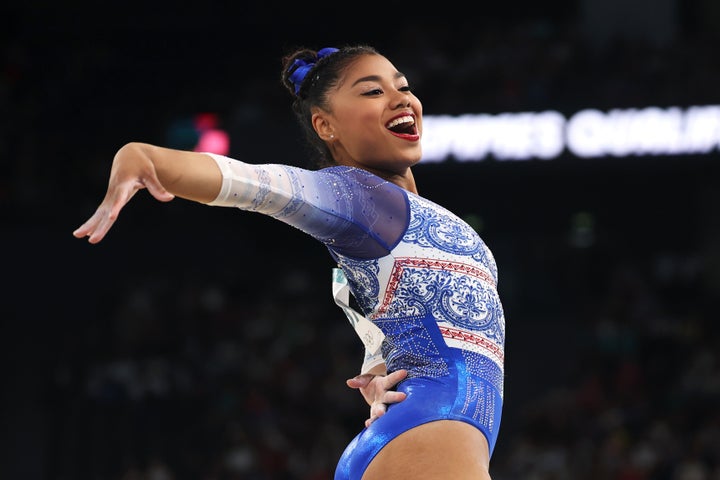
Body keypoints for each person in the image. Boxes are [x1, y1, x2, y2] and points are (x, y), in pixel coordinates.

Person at [73, 44, 506, 480]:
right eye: (372, 92)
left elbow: (383, 310)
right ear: (326, 125)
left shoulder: (395, 218)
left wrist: (377, 367)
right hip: (433, 433)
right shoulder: (355, 195)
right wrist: (148, 159)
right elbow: (261, 186)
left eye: (403, 87)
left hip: (427, 434)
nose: (400, 99)